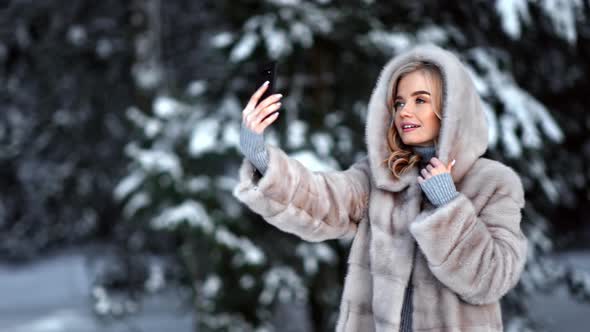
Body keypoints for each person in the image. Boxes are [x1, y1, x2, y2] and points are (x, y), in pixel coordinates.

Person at [233, 44, 527, 332]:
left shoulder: (493, 182)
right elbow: (321, 199)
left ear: (450, 108)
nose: (404, 112)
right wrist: (259, 154)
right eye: (399, 102)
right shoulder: (382, 178)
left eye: (420, 100)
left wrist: (447, 204)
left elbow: (491, 279)